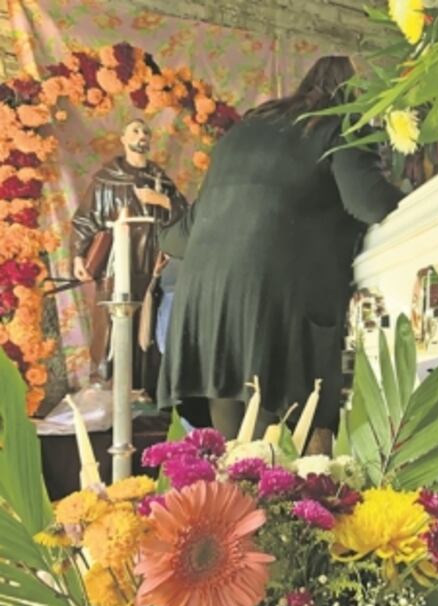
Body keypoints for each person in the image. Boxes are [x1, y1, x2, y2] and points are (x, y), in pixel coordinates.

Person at [158, 56, 403, 452]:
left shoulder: (240, 134)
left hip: (206, 312)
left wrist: (153, 231)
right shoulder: (338, 124)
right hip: (272, 306)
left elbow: (180, 237)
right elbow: (370, 203)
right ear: (354, 94)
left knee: (236, 459)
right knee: (283, 464)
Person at [71, 119, 187, 397]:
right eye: (135, 130)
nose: (142, 135)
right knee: (112, 323)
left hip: (153, 263)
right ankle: (108, 388)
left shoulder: (161, 180)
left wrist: (161, 201)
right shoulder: (106, 179)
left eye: (146, 131)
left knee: (149, 323)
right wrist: (78, 256)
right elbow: (85, 220)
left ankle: (147, 389)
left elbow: (186, 214)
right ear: (123, 139)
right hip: (117, 263)